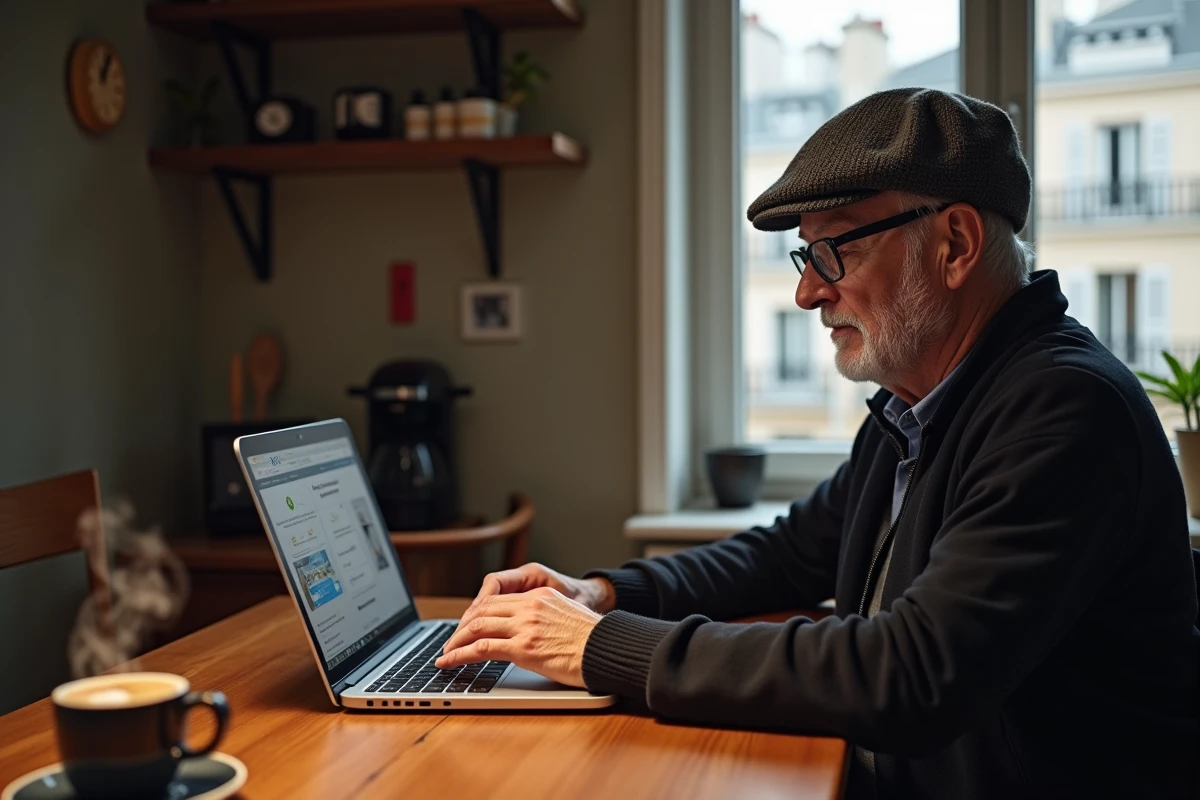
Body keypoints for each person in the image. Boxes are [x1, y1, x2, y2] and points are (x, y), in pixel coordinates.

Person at [435, 88, 1200, 798]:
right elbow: (787, 554)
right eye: (807, 257)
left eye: (836, 249)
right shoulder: (919, 407)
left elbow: (911, 675)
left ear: (955, 243)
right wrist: (601, 594)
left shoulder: (1063, 410)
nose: (808, 291)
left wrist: (601, 646)